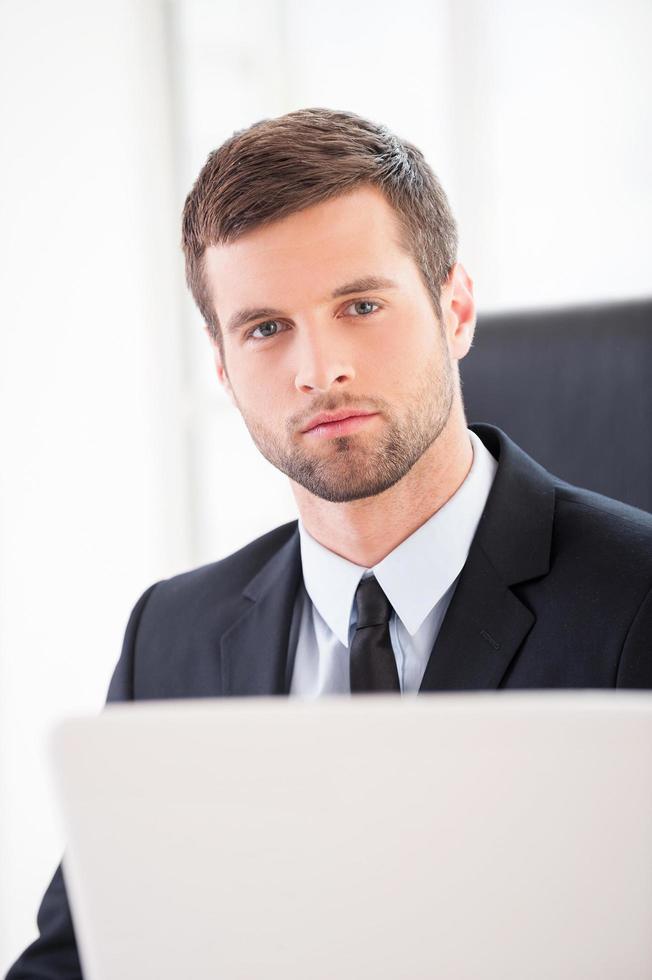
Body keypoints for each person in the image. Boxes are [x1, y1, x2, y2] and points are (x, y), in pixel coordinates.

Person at [7, 106, 652, 979]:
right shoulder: (173, 635)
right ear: (223, 363)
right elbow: (75, 961)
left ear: (454, 309)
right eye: (266, 328)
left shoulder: (635, 601)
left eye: (360, 304)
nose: (319, 369)